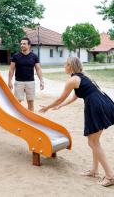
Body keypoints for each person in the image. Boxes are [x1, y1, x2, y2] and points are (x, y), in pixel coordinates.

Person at [39, 56, 114, 187]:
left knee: (93, 142)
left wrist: (47, 107)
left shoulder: (73, 80)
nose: (64, 66)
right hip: (102, 103)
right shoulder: (83, 77)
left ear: (71, 66)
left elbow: (60, 98)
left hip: (96, 106)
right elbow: (75, 96)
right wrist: (60, 106)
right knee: (94, 142)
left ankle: (110, 176)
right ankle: (94, 170)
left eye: (66, 64)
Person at [8, 37, 44, 112]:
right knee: (17, 102)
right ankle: (17, 119)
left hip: (30, 82)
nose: (22, 45)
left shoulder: (34, 56)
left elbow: (38, 69)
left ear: (29, 45)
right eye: (21, 44)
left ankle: (31, 119)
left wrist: (41, 81)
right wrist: (9, 81)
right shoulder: (16, 56)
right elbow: (11, 69)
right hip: (19, 82)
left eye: (24, 44)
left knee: (30, 102)